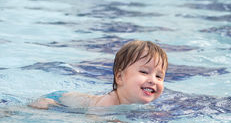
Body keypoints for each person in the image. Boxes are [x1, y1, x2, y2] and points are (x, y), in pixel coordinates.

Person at [29, 40, 168, 109]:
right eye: (144, 72)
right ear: (120, 77)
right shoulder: (108, 103)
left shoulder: (139, 104)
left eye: (159, 76)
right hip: (57, 100)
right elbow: (93, 121)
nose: (153, 80)